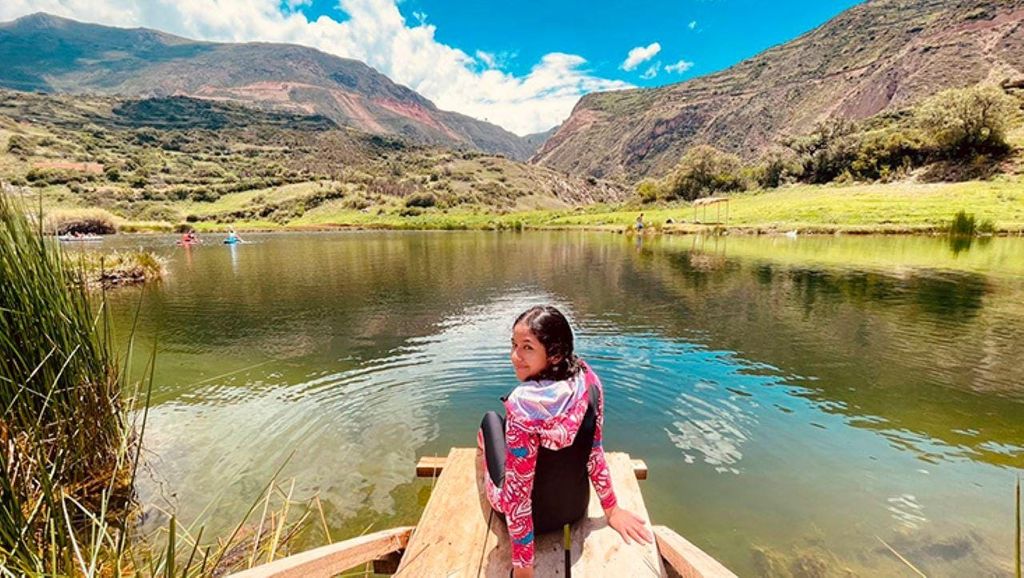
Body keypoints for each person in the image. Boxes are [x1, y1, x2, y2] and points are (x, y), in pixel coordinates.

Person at [478, 305, 653, 577]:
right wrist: (613, 510)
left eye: (527, 348)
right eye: (514, 345)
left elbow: (517, 498)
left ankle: (482, 443)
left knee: (491, 421)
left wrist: (523, 569)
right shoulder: (590, 382)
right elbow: (594, 453)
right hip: (573, 509)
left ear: (555, 354)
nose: (515, 357)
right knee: (504, 430)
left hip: (533, 520)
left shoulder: (522, 405)